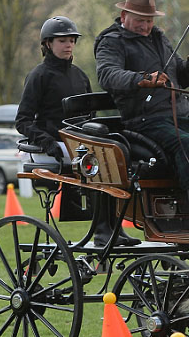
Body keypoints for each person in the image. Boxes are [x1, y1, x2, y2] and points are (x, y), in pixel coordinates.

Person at [94, 0, 189, 217]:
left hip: (182, 114)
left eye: (149, 21)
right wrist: (142, 80)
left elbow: (178, 77)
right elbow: (108, 75)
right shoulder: (111, 42)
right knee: (185, 142)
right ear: (124, 17)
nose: (145, 26)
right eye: (140, 20)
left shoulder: (159, 38)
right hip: (145, 120)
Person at [16, 16, 140, 247]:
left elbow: (90, 117)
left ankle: (114, 227)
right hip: (51, 146)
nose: (68, 45)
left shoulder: (80, 76)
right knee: (98, 160)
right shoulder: (38, 76)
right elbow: (23, 121)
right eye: (62, 40)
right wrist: (46, 142)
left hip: (79, 143)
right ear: (47, 44)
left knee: (116, 157)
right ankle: (102, 230)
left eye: (71, 40)